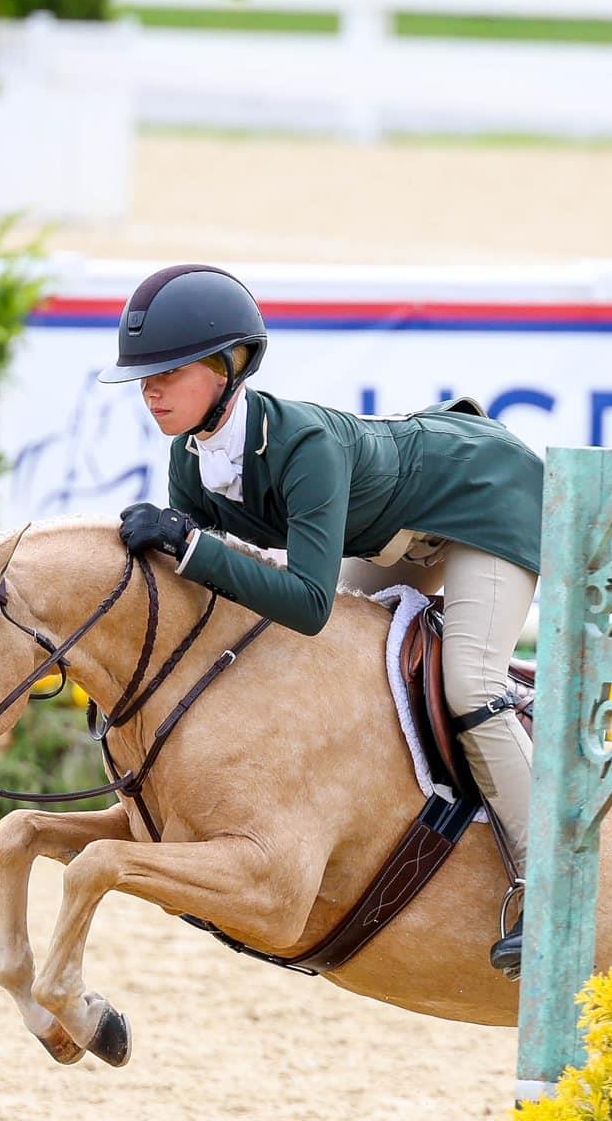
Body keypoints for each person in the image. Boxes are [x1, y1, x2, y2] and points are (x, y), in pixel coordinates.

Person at [101, 262, 543, 977]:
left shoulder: (305, 448)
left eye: (169, 372)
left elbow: (305, 603)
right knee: (344, 664)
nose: (150, 391)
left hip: (489, 500)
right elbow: (208, 587)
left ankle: (549, 883)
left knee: (468, 683)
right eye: (142, 376)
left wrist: (189, 547)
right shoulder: (189, 455)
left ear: (228, 367)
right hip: (399, 530)